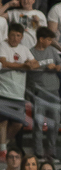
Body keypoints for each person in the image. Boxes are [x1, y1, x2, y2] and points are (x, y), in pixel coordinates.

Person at [0, 23, 38, 158]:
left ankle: (1, 143)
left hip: (18, 92)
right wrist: (24, 66)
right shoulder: (2, 45)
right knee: (3, 122)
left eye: (18, 35)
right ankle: (2, 150)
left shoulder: (24, 49)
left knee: (18, 124)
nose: (15, 38)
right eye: (12, 35)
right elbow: (3, 62)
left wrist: (31, 65)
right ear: (8, 35)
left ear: (21, 37)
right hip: (2, 90)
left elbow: (35, 63)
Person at [26, 26, 61, 159]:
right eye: (49, 39)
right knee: (38, 124)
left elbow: (59, 65)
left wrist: (56, 67)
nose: (51, 42)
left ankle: (51, 151)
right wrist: (45, 65)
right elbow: (30, 66)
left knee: (55, 123)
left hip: (54, 91)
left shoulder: (52, 50)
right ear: (41, 39)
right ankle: (39, 152)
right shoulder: (30, 52)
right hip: (38, 92)